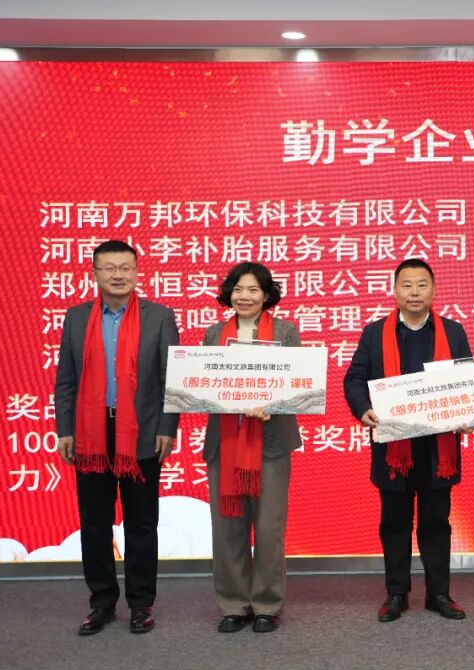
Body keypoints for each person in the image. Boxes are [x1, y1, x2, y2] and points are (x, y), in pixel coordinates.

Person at [54, 240, 178, 635]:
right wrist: (65, 429)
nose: (118, 275)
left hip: (141, 433)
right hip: (91, 435)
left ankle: (141, 604)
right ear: (95, 273)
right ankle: (102, 602)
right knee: (95, 523)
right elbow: (66, 380)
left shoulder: (159, 317)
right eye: (109, 268)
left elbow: (171, 379)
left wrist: (167, 427)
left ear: (137, 272)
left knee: (141, 524)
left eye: (125, 267)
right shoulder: (76, 318)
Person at [343, 259, 472, 622]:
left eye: (422, 285)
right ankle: (396, 593)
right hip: (393, 448)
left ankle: (439, 594)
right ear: (395, 290)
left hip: (437, 449)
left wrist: (470, 412)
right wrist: (363, 409)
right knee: (395, 524)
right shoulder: (374, 334)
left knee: (436, 523)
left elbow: (468, 381)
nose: (415, 292)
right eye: (407, 285)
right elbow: (354, 379)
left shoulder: (453, 331)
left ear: (434, 290)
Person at [202, 263, 302, 633]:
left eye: (253, 290)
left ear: (266, 295)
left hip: (271, 442)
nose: (244, 297)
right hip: (225, 442)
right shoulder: (214, 335)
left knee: (269, 527)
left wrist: (271, 403)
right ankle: (233, 605)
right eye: (238, 290)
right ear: (228, 294)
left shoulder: (286, 332)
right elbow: (202, 384)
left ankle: (266, 605)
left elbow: (298, 382)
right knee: (227, 527)